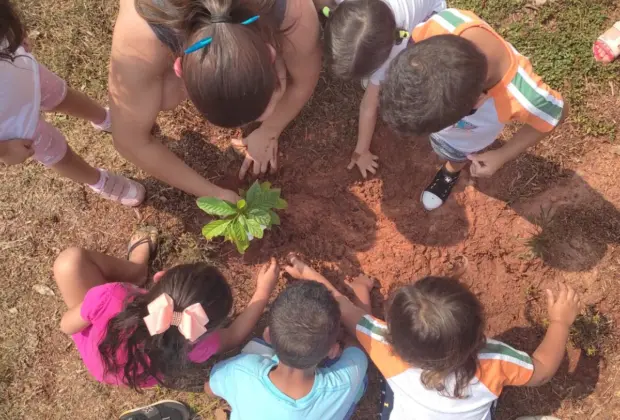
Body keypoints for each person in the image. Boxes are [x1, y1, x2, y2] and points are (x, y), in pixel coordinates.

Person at [283, 255, 582, 420]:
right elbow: (541, 371)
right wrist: (560, 322)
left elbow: (340, 305)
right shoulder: (494, 361)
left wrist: (307, 272)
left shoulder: (386, 351)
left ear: (395, 338)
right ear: (479, 331)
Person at [108, 0, 321, 203]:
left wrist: (270, 130)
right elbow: (129, 142)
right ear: (179, 67)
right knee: (167, 96)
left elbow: (304, 80)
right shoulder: (139, 38)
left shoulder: (294, 11)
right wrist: (210, 193)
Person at [380, 9, 569, 210]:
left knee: (456, 153)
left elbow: (558, 113)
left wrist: (502, 155)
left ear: (479, 101)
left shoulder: (526, 97)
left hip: (466, 138)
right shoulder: (441, 23)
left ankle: (450, 172)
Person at [53, 227, 280, 389]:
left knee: (70, 261)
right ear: (207, 328)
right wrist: (262, 291)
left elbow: (66, 325)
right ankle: (135, 269)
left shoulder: (112, 296)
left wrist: (92, 309)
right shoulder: (197, 343)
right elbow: (233, 336)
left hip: (101, 360)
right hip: (129, 375)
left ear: (160, 276)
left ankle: (136, 269)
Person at [0, 0, 144, 206]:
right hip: (12, 128)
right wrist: (4, 150)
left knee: (64, 97)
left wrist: (14, 34)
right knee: (57, 154)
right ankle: (98, 181)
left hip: (25, 74)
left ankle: (105, 118)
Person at [204, 280, 369, 420]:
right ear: (332, 350)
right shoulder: (346, 381)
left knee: (253, 348)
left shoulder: (241, 371)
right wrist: (361, 291)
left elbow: (209, 389)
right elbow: (363, 340)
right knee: (361, 383)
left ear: (268, 335)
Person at [321, 0, 445, 178]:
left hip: (432, 16)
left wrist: (361, 151)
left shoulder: (396, 45)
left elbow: (369, 106)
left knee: (415, 64)